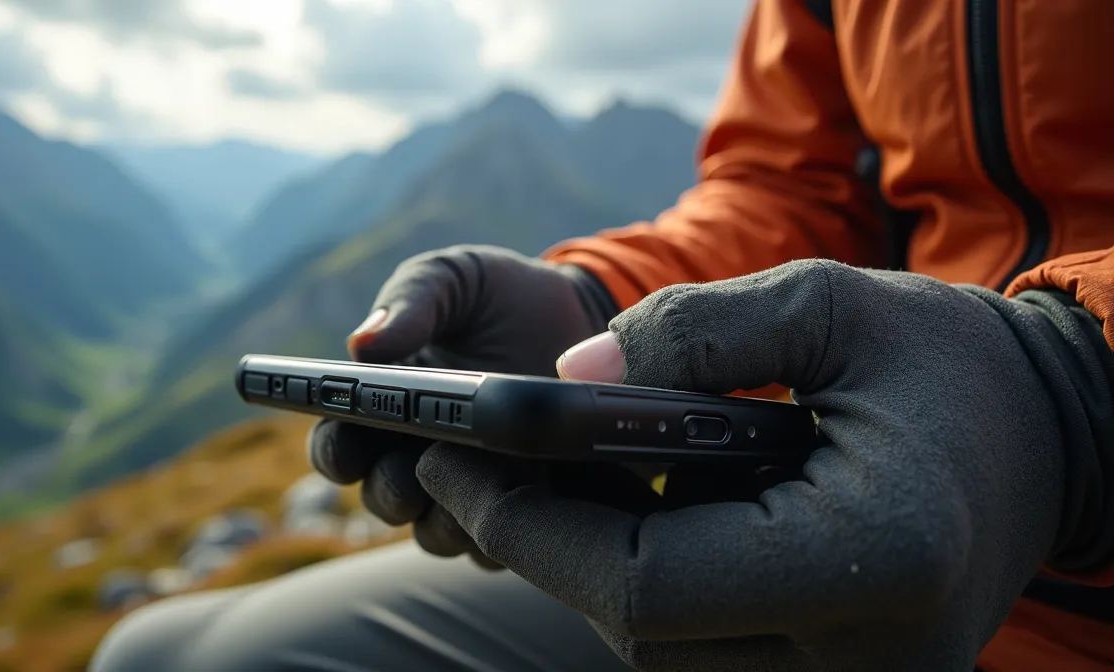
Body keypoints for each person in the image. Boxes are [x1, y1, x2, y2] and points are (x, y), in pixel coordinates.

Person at [92, 0, 1114, 669]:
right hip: (846, 526)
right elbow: (788, 186)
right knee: (158, 655)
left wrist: (1076, 395)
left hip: (1047, 585)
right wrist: (600, 303)